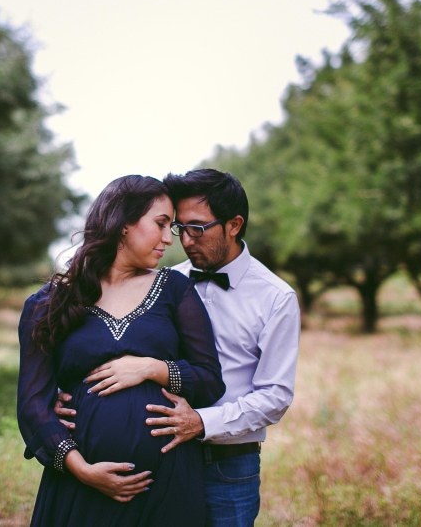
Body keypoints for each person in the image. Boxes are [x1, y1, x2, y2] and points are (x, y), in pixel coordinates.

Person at [58, 169, 301, 527]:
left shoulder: (275, 297)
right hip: (161, 460)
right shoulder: (163, 282)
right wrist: (62, 395)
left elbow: (275, 395)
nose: (185, 240)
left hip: (227, 464)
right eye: (178, 227)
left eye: (197, 228)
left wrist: (201, 422)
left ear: (234, 225)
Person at [17, 175, 226, 526]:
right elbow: (32, 405)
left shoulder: (174, 289)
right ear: (123, 223)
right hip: (79, 488)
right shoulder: (50, 302)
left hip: (167, 487)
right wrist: (81, 470)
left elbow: (210, 380)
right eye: (160, 224)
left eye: (170, 228)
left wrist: (152, 368)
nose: (167, 239)